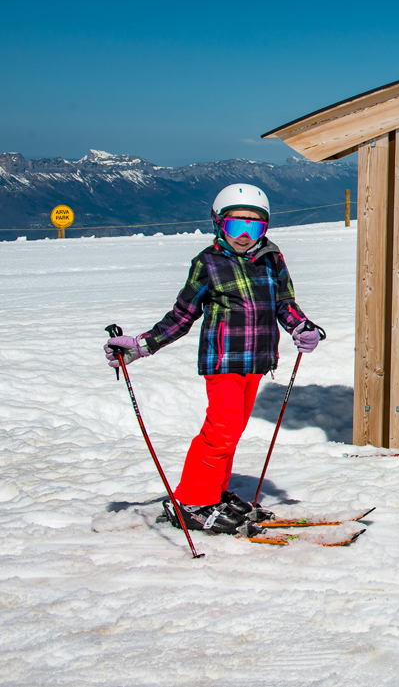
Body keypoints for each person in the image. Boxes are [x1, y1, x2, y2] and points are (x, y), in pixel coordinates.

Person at [103, 183, 322, 535]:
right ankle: (191, 501)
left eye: (255, 226)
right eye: (238, 225)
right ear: (219, 224)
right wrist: (142, 345)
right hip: (223, 360)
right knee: (221, 431)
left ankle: (213, 493)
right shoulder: (208, 263)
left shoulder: (272, 258)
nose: (246, 234)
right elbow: (182, 315)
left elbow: (285, 303)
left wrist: (302, 327)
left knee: (231, 432)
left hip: (258, 360)